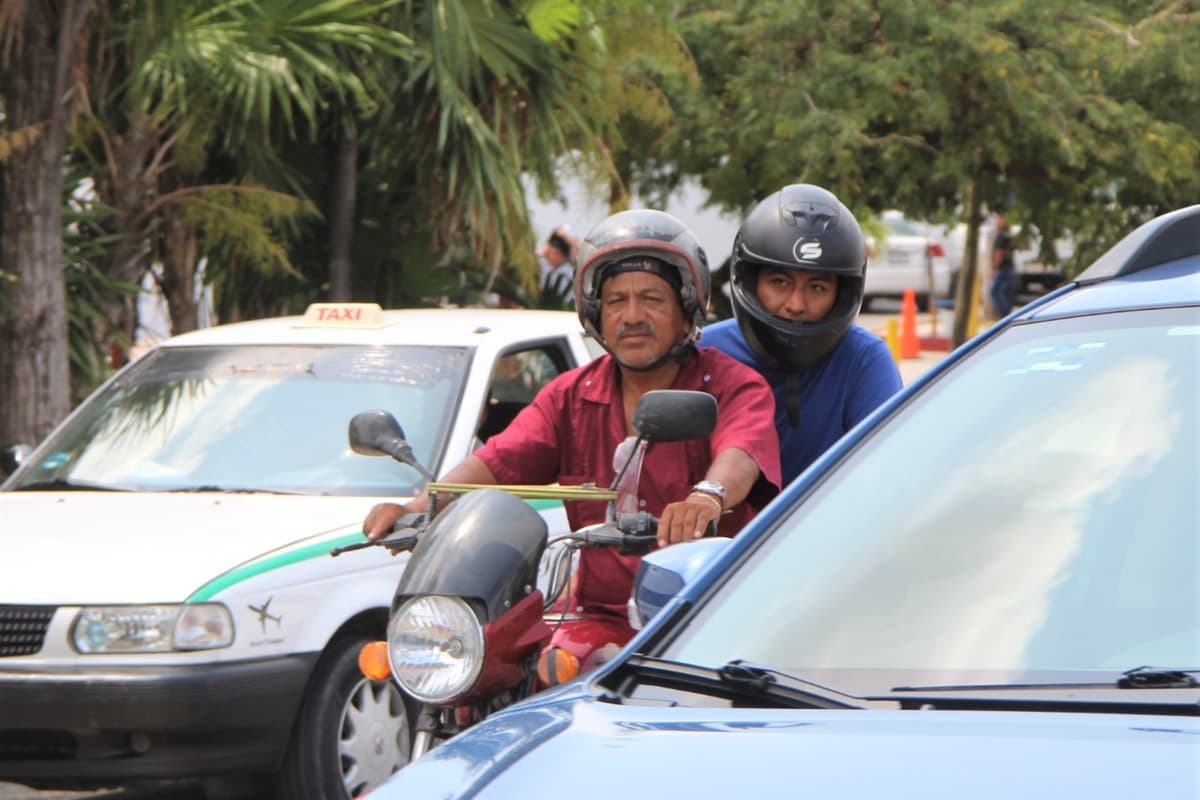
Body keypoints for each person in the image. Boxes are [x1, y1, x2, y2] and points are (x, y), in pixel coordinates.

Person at [364, 209, 781, 675]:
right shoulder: (570, 396)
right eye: (616, 300)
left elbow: (741, 453)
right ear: (594, 312)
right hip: (598, 618)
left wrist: (707, 496)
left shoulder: (732, 385)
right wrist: (422, 505)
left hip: (708, 614)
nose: (633, 316)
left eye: (652, 299)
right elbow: (498, 461)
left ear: (687, 309)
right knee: (523, 677)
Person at [701, 184, 902, 485]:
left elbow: (887, 473)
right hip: (724, 529)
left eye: (817, 287)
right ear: (751, 281)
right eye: (780, 282)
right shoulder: (706, 352)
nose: (796, 305)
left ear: (842, 294)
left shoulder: (863, 359)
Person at [537, 224, 578, 308]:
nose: (553, 255)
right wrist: (553, 235)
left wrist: (570, 241)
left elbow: (579, 262)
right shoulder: (541, 265)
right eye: (551, 252)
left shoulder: (568, 271)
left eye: (557, 253)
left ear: (563, 255)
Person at [988, 210, 1017, 318]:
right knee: (1006, 292)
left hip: (1002, 268)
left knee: (994, 291)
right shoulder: (1009, 235)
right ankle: (1006, 312)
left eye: (999, 219)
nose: (997, 221)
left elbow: (999, 253)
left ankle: (1004, 314)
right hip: (1009, 267)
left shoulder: (1001, 236)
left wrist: (994, 268)